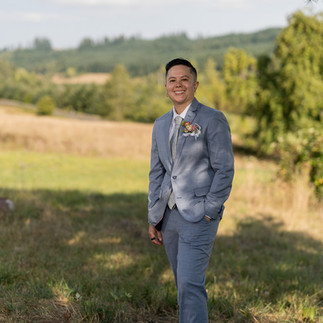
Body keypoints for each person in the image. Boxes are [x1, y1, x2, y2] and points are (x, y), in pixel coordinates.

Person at [148, 58, 234, 323]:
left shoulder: (212, 119)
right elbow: (157, 172)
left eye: (184, 79)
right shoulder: (160, 124)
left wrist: (210, 210)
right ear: (165, 87)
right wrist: (154, 216)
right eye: (172, 80)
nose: (178, 85)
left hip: (199, 215)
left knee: (189, 284)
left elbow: (224, 169)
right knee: (182, 284)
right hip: (169, 216)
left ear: (195, 85)